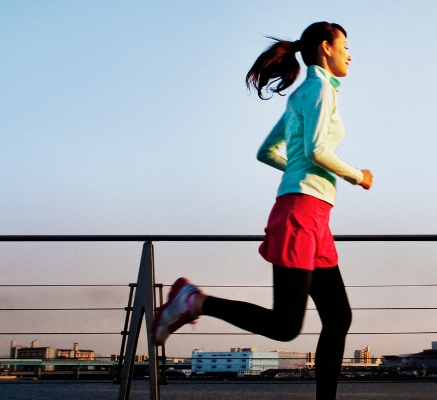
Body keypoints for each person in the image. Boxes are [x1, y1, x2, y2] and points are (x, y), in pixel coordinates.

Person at [152, 21, 371, 399]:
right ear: (325, 47)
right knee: (286, 326)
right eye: (345, 46)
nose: (350, 54)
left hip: (312, 214)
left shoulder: (303, 93)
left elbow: (267, 151)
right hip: (301, 213)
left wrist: (299, 171)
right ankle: (193, 300)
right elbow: (318, 149)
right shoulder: (319, 88)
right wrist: (358, 176)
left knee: (338, 316)